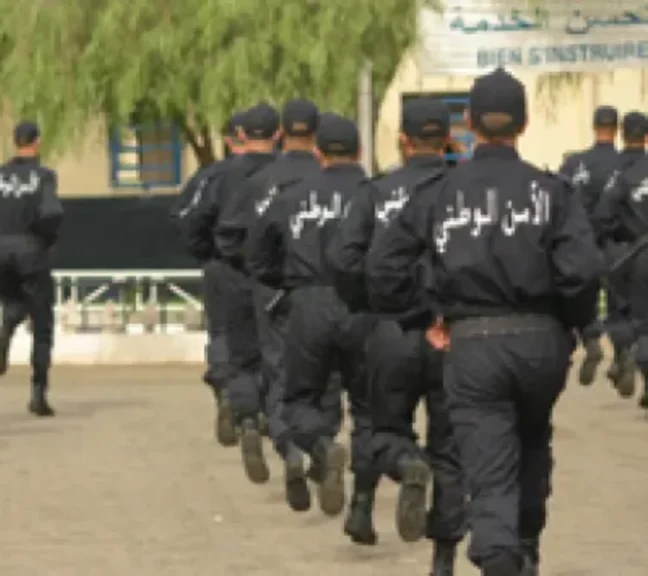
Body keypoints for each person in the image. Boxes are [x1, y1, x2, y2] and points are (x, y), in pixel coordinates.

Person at [366, 68, 604, 576]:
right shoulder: (552, 192)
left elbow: (383, 267)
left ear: (469, 124)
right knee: (533, 441)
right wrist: (571, 327)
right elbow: (583, 272)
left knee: (490, 466)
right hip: (541, 342)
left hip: (472, 343)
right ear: (524, 123)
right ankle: (526, 546)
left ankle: (500, 554)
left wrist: (423, 316)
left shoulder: (438, 192)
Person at [328, 98, 465, 572]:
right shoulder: (464, 192)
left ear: (404, 141)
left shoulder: (376, 193)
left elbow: (345, 260)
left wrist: (367, 305)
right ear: (447, 139)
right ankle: (443, 560)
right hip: (452, 332)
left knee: (383, 430)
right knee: (451, 451)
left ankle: (406, 465)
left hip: (391, 329)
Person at [246, 113, 380, 525]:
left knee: (299, 397)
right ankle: (362, 506)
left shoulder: (292, 197)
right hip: (363, 306)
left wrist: (287, 283)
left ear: (319, 153)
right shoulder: (377, 195)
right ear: (360, 151)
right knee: (368, 411)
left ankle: (319, 448)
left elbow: (258, 257)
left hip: (307, 303)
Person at [241, 99, 342, 510]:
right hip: (328, 294)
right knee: (328, 376)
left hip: (279, 295)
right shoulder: (332, 183)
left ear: (282, 133)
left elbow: (250, 246)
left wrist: (271, 282)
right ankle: (323, 443)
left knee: (281, 372)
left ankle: (292, 448)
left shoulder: (261, 184)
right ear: (317, 136)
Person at [202, 103, 280, 485]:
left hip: (230, 269)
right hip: (279, 277)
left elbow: (188, 216)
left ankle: (239, 407)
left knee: (232, 343)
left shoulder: (218, 175)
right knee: (275, 348)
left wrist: (209, 253)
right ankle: (278, 422)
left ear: (241, 136)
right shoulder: (290, 173)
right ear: (278, 135)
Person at [171, 111, 246, 447]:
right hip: (269, 272)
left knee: (223, 332)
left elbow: (186, 217)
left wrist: (206, 253)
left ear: (228, 140)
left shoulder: (211, 177)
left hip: (222, 266)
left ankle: (228, 391)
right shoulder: (279, 173)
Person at [0, 121, 63, 416]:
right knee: (42, 324)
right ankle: (38, 394)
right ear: (37, 142)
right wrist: (46, 241)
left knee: (14, 303)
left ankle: (6, 327)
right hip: (31, 250)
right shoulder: (43, 176)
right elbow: (52, 214)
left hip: (0, 252)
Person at [557, 106, 619, 385]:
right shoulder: (625, 165)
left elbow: (559, 196)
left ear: (594, 127)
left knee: (583, 295)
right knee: (620, 303)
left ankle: (590, 337)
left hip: (581, 242)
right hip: (617, 244)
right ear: (616, 129)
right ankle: (623, 356)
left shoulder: (575, 163)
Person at [589, 111, 648, 398]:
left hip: (627, 252)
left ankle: (626, 353)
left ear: (623, 134)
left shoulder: (618, 173)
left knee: (622, 313)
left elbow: (603, 215)